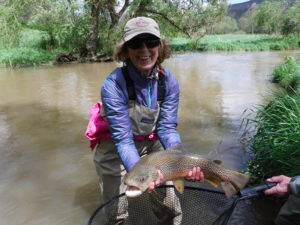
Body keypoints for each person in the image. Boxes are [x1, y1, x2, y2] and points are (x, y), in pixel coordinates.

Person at [91, 16, 204, 224]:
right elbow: (123, 140)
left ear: (160, 46)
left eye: (151, 42)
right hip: (116, 147)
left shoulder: (169, 81)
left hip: (152, 142)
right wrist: (144, 174)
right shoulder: (113, 85)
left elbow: (167, 128)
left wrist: (180, 161)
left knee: (168, 205)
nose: (144, 50)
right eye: (136, 43)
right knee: (117, 210)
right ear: (125, 50)